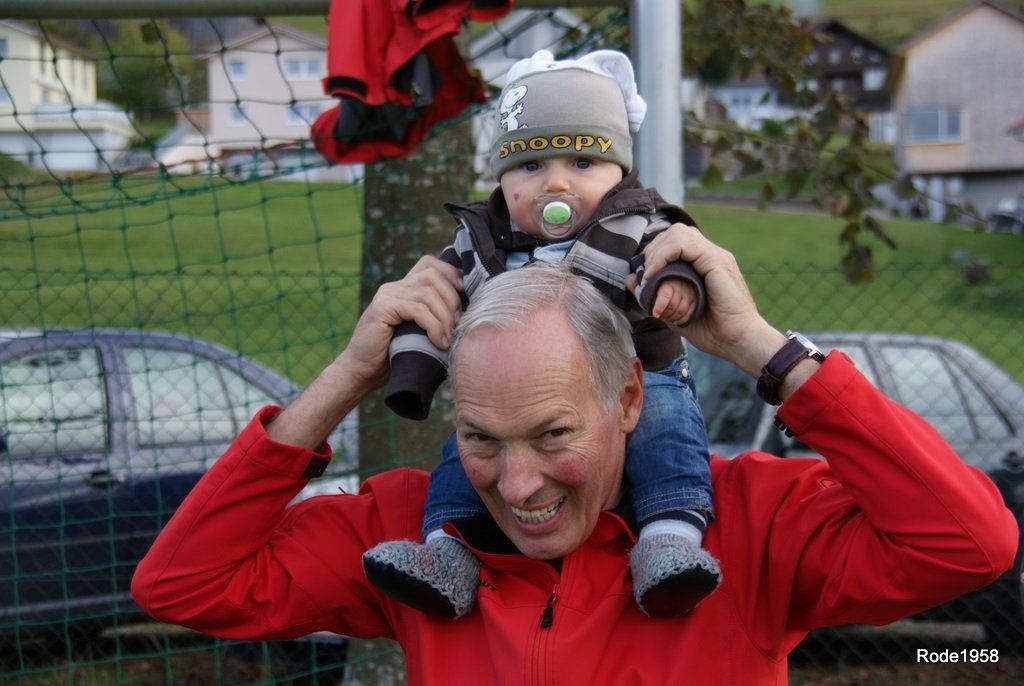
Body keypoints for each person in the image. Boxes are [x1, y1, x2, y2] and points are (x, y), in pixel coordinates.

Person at [131, 227, 1018, 685]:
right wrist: (349, 375)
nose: (517, 485)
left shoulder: (749, 525)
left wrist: (764, 350)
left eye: (554, 435)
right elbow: (184, 585)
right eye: (480, 439)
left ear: (629, 399)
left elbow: (968, 542)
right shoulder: (415, 540)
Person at [370, 48, 719, 621]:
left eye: (582, 163)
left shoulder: (636, 224)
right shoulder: (479, 241)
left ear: (619, 172)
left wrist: (677, 285)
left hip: (641, 372)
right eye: (530, 166)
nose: (556, 182)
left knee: (667, 430)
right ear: (503, 179)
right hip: (508, 395)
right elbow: (430, 308)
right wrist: (413, 373)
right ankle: (446, 553)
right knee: (467, 453)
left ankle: (670, 539)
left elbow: (675, 256)